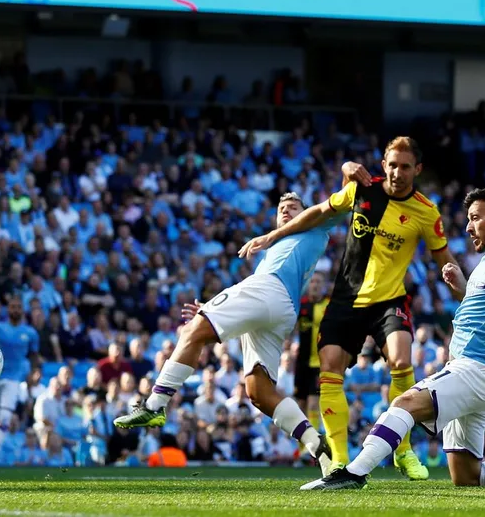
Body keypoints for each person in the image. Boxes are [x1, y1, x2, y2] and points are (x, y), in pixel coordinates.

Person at [301, 186, 485, 491]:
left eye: (475, 218)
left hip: (473, 370)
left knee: (405, 403)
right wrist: (464, 289)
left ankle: (353, 473)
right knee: (468, 476)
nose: (469, 227)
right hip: (478, 374)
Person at [244, 137, 460, 480]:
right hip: (346, 298)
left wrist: (468, 293)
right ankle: (339, 461)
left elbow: (443, 257)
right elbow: (319, 212)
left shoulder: (425, 211)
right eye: (392, 165)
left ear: (417, 169)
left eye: (405, 167)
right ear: (384, 165)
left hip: (389, 300)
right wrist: (273, 236)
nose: (398, 173)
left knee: (401, 361)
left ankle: (403, 449)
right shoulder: (362, 190)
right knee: (330, 368)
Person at [113, 187, 361, 474]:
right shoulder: (274, 248)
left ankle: (155, 403)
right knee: (259, 392)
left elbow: (340, 201)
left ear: (305, 212)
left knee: (193, 331)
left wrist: (348, 171)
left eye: (294, 207)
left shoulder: (315, 226)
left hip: (270, 291)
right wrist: (210, 310)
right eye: (282, 207)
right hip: (280, 310)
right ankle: (318, 447)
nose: (286, 209)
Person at [0, 296, 39, 465]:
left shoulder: (30, 333)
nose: (15, 310)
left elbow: (34, 356)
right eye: (13, 306)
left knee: (5, 416)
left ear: (23, 310)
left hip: (14, 379)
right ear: (8, 309)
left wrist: (33, 374)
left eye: (18, 307)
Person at [295, 273, 328, 436]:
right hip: (301, 362)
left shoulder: (329, 305)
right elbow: (292, 329)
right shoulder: (300, 305)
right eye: (312, 282)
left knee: (313, 404)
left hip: (319, 363)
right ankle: (302, 442)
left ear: (323, 286)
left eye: (318, 282)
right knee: (300, 404)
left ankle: (314, 441)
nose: (315, 285)